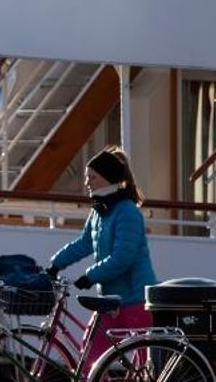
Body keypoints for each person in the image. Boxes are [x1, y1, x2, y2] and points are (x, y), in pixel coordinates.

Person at [47, 146, 158, 373]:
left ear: (107, 178)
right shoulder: (99, 210)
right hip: (110, 301)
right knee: (89, 360)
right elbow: (84, 243)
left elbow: (123, 258)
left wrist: (89, 276)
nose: (87, 182)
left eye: (92, 177)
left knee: (149, 368)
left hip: (135, 299)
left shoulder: (127, 212)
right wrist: (55, 264)